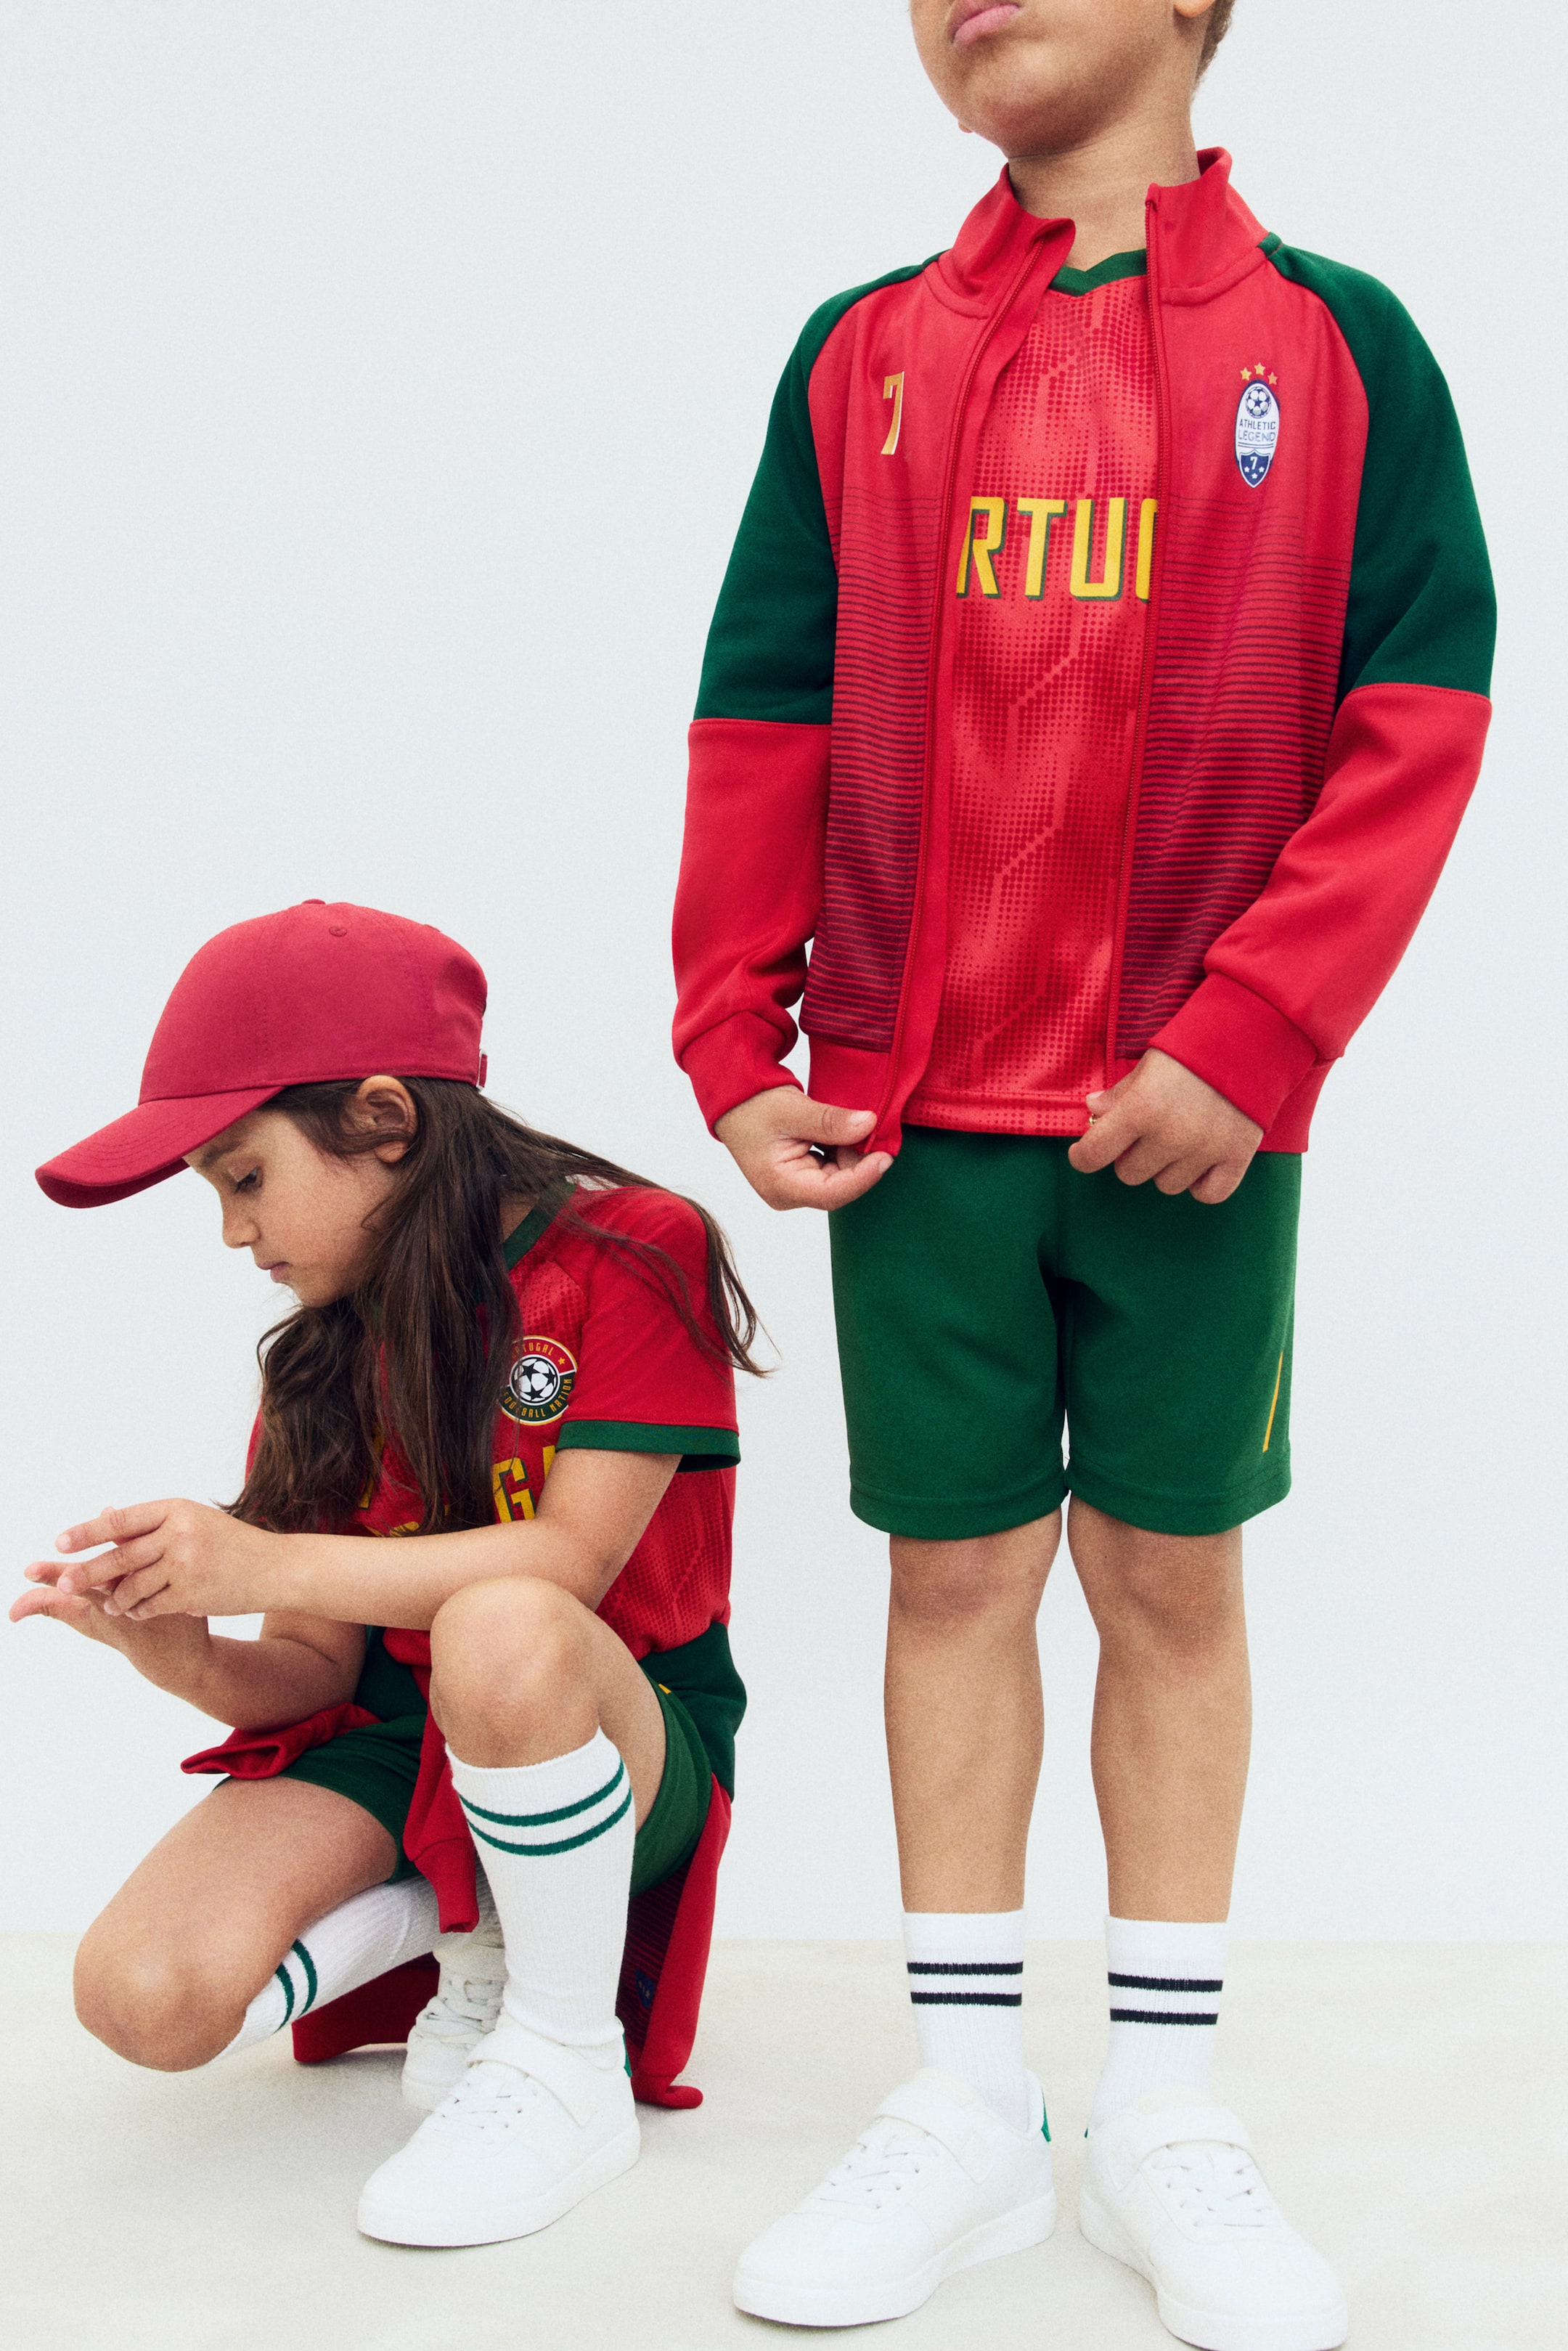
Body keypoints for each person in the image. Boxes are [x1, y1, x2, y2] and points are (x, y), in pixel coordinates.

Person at [671, 0, 1493, 2339]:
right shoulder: (860, 356)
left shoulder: (1340, 345)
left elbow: (1420, 714)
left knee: (1171, 1578)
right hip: (914, 1119)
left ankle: (1162, 2102)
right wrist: (735, 1030)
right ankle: (963, 2099)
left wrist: (1254, 1033)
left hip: (1189, 1132)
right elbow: (763, 703)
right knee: (950, 1577)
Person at [18, 897, 754, 2249]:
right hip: (401, 1733)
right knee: (143, 1995)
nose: (233, 1231)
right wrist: (175, 1644)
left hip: (610, 1726)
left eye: (246, 1177)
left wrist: (259, 1553)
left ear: (384, 1120)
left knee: (503, 1623)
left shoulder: (637, 1249)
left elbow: (570, 1563)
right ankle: (467, 1916)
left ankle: (561, 2052)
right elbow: (311, 1672)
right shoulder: (322, 1350)